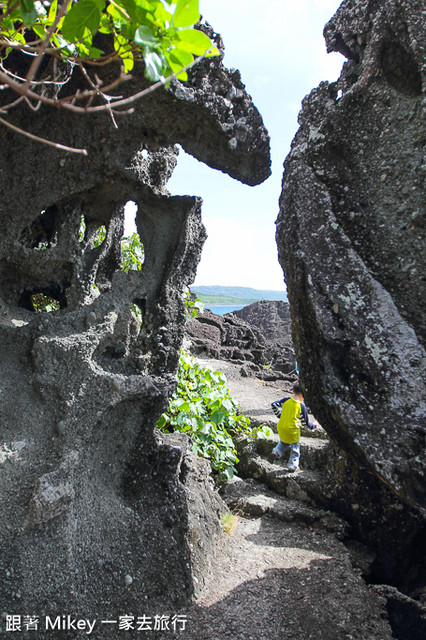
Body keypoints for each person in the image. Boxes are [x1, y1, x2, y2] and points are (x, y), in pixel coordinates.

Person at [271, 381, 316, 472]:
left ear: (292, 391)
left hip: (281, 427)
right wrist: (313, 426)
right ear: (303, 395)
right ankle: (293, 465)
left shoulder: (286, 400)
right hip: (293, 430)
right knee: (295, 449)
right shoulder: (301, 406)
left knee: (283, 443)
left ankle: (275, 452)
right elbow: (305, 423)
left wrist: (280, 415)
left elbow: (274, 404)